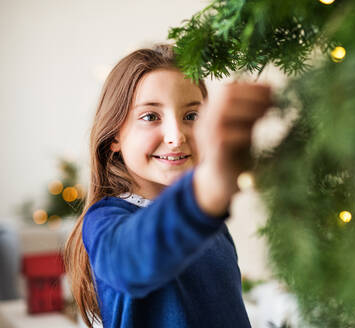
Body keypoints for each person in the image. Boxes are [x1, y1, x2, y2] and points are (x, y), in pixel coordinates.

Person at [63, 43, 272, 328]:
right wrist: (207, 191)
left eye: (191, 116)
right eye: (150, 117)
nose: (176, 136)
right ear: (114, 136)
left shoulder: (212, 225)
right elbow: (128, 262)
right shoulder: (105, 220)